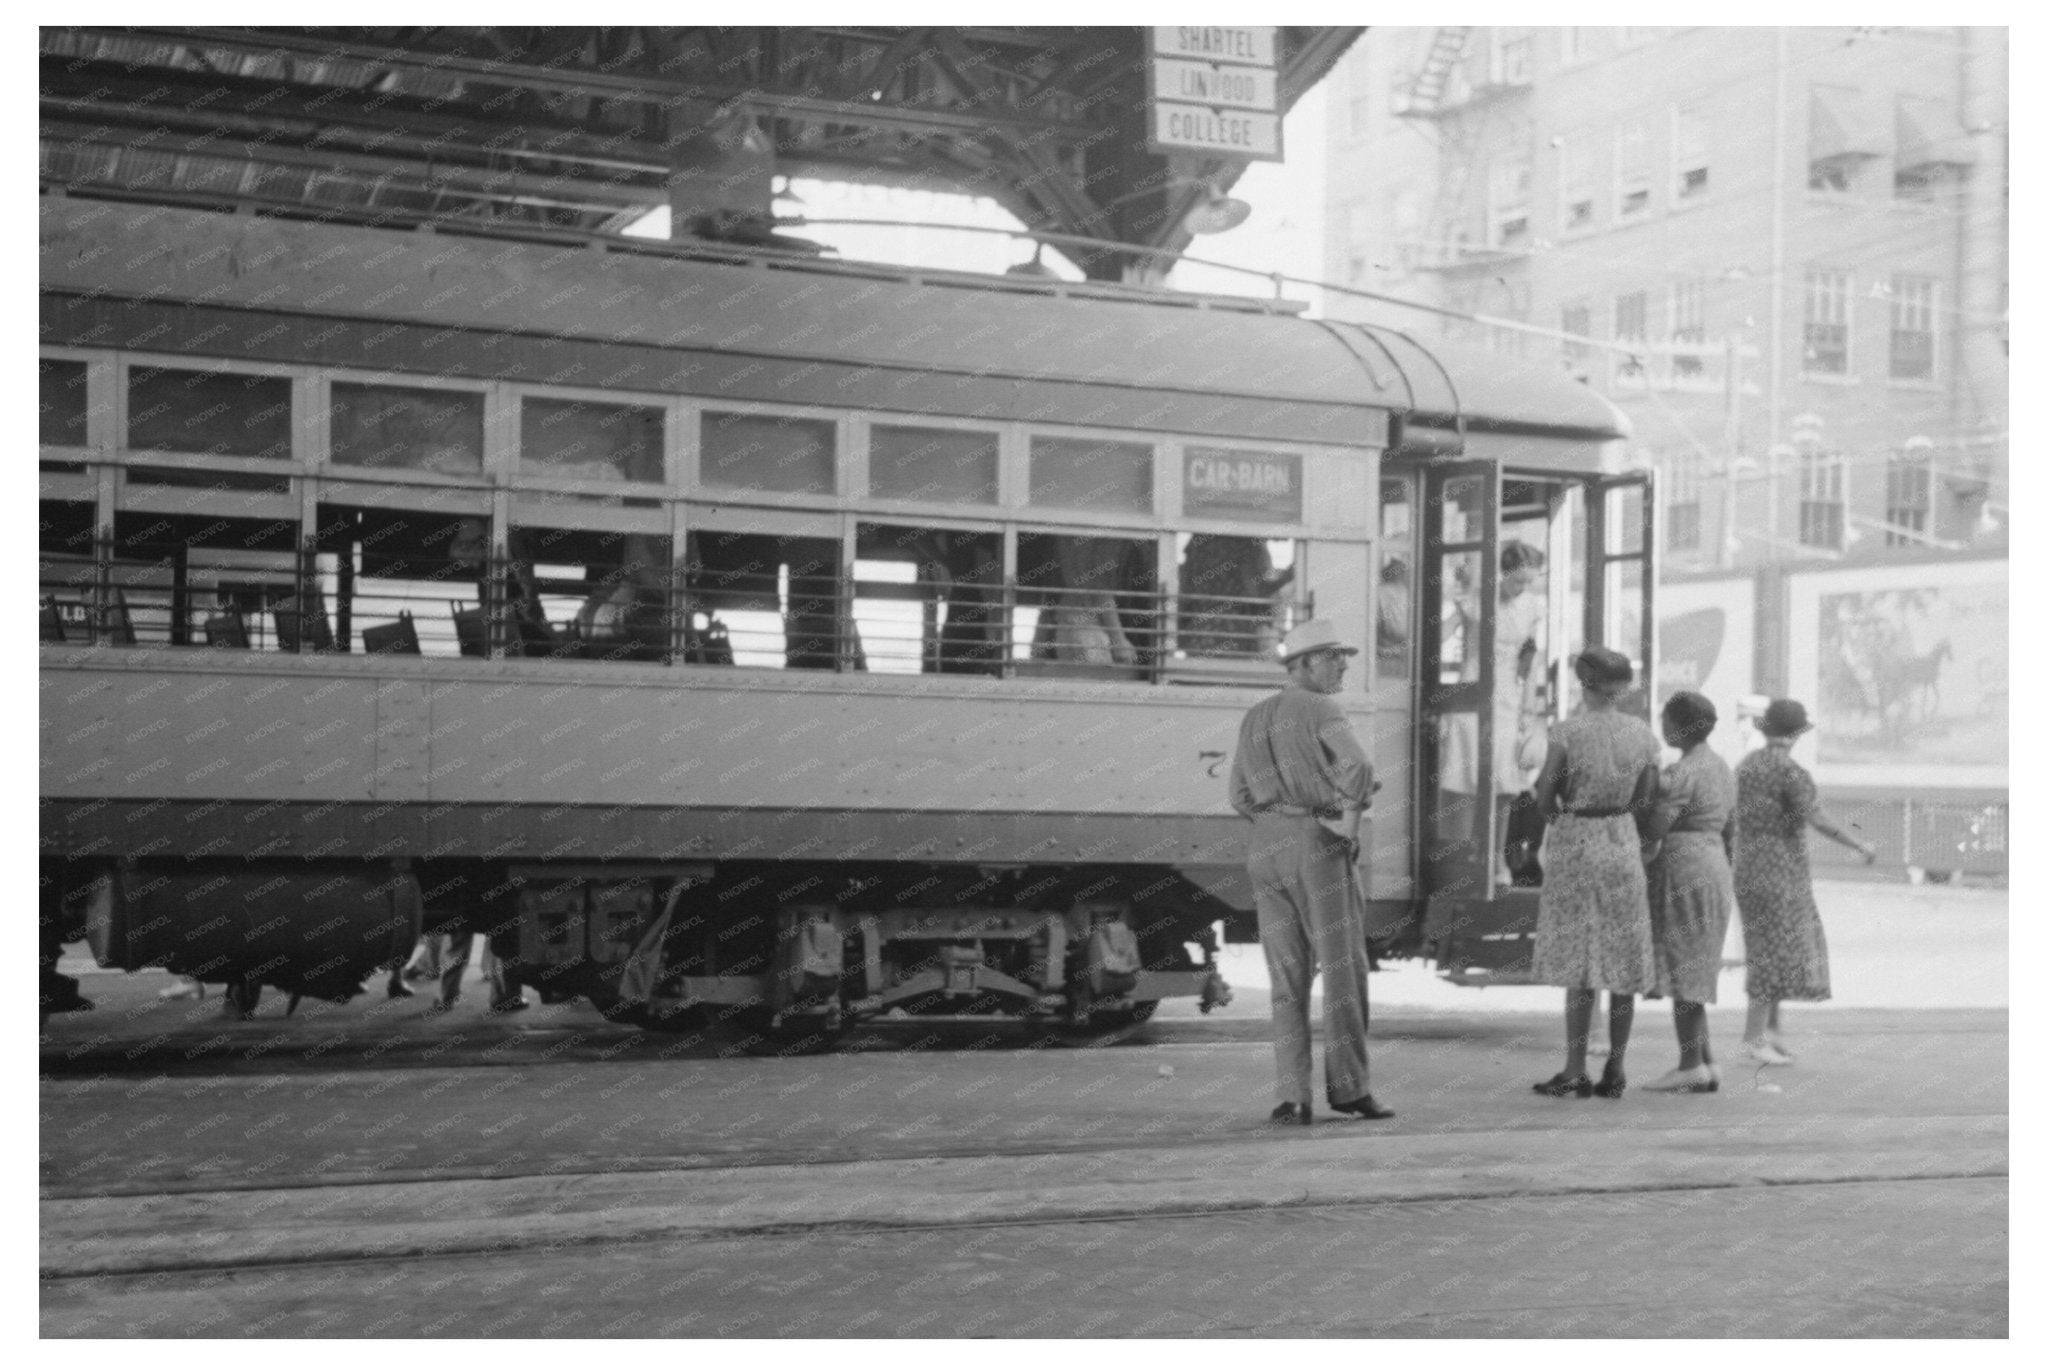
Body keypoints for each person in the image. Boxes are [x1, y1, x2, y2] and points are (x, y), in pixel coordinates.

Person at [1227, 617, 1393, 1126]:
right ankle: (1350, 1089)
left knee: (1286, 976)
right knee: (1342, 969)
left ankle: (1293, 1097)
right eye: (1333, 656)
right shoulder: (1321, 707)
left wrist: (1274, 818)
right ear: (1303, 664)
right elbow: (1359, 766)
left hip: (1264, 847)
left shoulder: (1255, 716)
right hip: (1314, 845)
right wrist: (1346, 810)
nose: (1342, 664)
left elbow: (1238, 794)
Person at [1528, 646, 1662, 1100]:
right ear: (1621, 688)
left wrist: (1558, 813)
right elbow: (1647, 798)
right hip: (1621, 839)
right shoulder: (1643, 734)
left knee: (1579, 961)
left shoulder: (1567, 732)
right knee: (1622, 959)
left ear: (1584, 684)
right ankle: (1616, 1069)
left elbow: (1546, 793)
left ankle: (1573, 1068)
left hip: (1577, 840)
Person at [1733, 698, 1875, 1064]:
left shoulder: (1747, 766)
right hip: (1781, 872)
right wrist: (1858, 843)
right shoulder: (1790, 773)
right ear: (1797, 733)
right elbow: (1817, 818)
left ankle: (1770, 1031)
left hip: (1748, 868)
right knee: (1774, 952)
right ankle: (1754, 1039)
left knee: (1766, 948)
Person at [1640, 691, 1739, 1093]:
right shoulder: (1721, 768)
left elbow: (1656, 828)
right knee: (1698, 964)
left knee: (1683, 965)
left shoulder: (1682, 774)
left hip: (1684, 867)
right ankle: (1706, 1060)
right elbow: (1731, 830)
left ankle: (1689, 1063)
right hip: (1715, 863)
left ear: (1679, 726)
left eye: (1666, 720)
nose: (1662, 727)